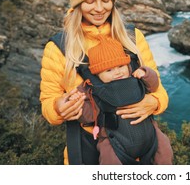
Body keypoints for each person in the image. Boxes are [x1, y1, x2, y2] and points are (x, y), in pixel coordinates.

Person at [40, 0, 170, 165]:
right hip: (89, 152)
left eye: (106, 0)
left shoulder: (132, 38)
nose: (99, 8)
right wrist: (57, 108)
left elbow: (158, 88)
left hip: (142, 148)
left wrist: (154, 102)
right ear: (77, 3)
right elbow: (48, 102)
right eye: (90, 1)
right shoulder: (58, 48)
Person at [69, 35, 173, 164]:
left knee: (165, 149)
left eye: (120, 66)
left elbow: (154, 85)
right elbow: (89, 116)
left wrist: (146, 73)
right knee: (109, 160)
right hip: (114, 141)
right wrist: (77, 103)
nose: (117, 72)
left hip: (150, 135)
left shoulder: (135, 76)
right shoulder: (94, 89)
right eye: (109, 70)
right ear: (97, 75)